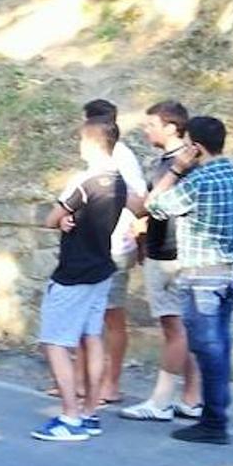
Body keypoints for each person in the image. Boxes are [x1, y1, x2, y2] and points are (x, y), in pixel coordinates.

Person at [146, 116, 233, 445]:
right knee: (220, 344)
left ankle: (213, 422)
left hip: (202, 274)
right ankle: (216, 414)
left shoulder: (198, 181)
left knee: (208, 348)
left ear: (195, 147)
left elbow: (155, 206)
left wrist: (177, 170)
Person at [32, 120, 127, 442]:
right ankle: (89, 412)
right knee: (92, 338)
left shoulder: (84, 181)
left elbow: (51, 219)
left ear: (90, 143)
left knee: (55, 343)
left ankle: (69, 416)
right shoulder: (120, 182)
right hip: (102, 266)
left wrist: (64, 220)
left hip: (74, 272)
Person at [121, 101, 203, 422]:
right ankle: (192, 398)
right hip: (163, 249)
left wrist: (127, 204)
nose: (146, 129)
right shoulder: (170, 160)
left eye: (151, 124)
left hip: (172, 253)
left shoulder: (184, 162)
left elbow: (161, 206)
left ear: (172, 127)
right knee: (181, 328)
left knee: (174, 327)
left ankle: (161, 401)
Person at [81, 99, 147, 404]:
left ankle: (111, 383)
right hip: (95, 246)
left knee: (112, 318)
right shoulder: (101, 160)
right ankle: (83, 381)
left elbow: (140, 199)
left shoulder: (122, 157)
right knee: (88, 316)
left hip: (115, 246)